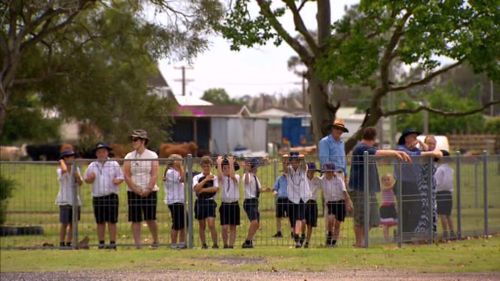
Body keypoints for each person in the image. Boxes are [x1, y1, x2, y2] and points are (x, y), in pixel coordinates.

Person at [349, 127, 412, 248]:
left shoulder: (369, 148)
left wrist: (396, 153)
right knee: (360, 217)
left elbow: (379, 153)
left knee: (374, 219)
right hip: (359, 188)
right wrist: (396, 153)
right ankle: (359, 242)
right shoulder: (361, 148)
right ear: (374, 138)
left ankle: (362, 240)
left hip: (369, 189)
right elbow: (378, 153)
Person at [395, 128, 442, 242]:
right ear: (406, 138)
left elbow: (428, 151)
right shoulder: (400, 149)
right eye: (413, 137)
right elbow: (412, 155)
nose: (415, 139)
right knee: (404, 211)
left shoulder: (416, 148)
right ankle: (403, 236)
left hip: (413, 184)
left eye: (416, 137)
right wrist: (432, 152)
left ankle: (408, 234)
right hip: (402, 183)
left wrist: (421, 143)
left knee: (417, 209)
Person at [123, 129, 159, 249]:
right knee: (135, 219)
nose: (133, 142)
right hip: (133, 191)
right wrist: (136, 189)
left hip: (150, 191)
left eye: (136, 139)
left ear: (143, 141)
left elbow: (154, 174)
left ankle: (156, 241)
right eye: (132, 140)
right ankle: (138, 244)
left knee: (150, 218)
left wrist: (148, 189)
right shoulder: (129, 156)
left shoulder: (152, 155)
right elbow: (127, 175)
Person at [84, 143, 124, 249]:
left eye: (103, 151)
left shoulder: (114, 164)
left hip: (111, 195)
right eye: (99, 152)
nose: (101, 154)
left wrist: (117, 181)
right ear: (96, 154)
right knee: (100, 221)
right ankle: (101, 243)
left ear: (107, 152)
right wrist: (90, 179)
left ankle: (112, 243)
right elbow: (86, 179)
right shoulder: (92, 165)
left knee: (112, 221)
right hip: (98, 196)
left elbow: (121, 177)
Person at [56, 149, 83, 249]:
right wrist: (62, 162)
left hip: (75, 200)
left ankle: (69, 242)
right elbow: (64, 170)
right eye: (69, 157)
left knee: (73, 223)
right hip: (64, 199)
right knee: (64, 223)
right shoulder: (59, 170)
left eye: (72, 157)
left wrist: (77, 176)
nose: (72, 159)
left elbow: (80, 183)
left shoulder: (76, 169)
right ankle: (61, 243)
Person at [322, 163, 353, 247]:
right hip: (331, 202)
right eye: (326, 172)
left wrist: (348, 202)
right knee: (330, 220)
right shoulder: (323, 180)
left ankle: (334, 242)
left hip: (340, 202)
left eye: (329, 172)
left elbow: (344, 192)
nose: (327, 174)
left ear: (333, 172)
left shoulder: (339, 180)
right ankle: (329, 234)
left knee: (337, 224)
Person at [286, 152, 312, 248]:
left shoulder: (303, 169)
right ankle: (298, 236)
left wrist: (303, 159)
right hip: (292, 197)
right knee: (292, 220)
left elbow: (305, 166)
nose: (295, 163)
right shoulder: (289, 169)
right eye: (292, 161)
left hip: (302, 197)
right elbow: (285, 167)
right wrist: (285, 159)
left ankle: (297, 239)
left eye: (296, 160)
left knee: (299, 218)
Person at [193, 156, 219, 249]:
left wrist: (202, 190)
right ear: (201, 167)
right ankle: (204, 244)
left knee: (211, 224)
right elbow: (196, 189)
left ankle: (215, 243)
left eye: (208, 166)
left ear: (211, 166)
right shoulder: (196, 177)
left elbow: (215, 189)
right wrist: (206, 179)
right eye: (204, 166)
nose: (206, 168)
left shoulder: (214, 177)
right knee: (202, 225)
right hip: (200, 202)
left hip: (210, 202)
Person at [162, 154, 186, 249]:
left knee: (184, 223)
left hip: (180, 200)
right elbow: (182, 179)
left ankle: (182, 243)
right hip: (174, 201)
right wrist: (181, 168)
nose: (180, 162)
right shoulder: (171, 172)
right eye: (178, 160)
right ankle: (173, 244)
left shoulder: (176, 171)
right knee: (177, 223)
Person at [216, 155, 240, 249]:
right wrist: (218, 163)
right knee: (224, 227)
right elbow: (220, 176)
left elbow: (233, 175)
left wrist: (231, 162)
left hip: (234, 204)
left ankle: (231, 245)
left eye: (228, 167)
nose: (226, 169)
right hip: (225, 205)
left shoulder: (237, 176)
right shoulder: (222, 178)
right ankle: (225, 244)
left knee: (233, 226)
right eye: (224, 168)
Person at [434, 150, 455, 241]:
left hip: (440, 193)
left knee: (442, 214)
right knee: (448, 214)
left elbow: (437, 182)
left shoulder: (439, 169)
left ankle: (445, 232)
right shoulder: (450, 169)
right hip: (448, 193)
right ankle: (452, 231)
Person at [242, 158, 261, 248]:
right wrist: (246, 170)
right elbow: (246, 182)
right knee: (254, 222)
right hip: (249, 201)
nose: (257, 168)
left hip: (255, 201)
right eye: (256, 166)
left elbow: (259, 189)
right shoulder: (247, 175)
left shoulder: (255, 177)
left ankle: (250, 240)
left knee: (257, 224)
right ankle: (247, 241)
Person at [302, 162, 322, 248]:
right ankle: (302, 235)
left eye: (313, 171)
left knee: (310, 223)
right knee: (302, 221)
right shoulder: (302, 179)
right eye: (310, 170)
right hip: (303, 202)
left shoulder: (317, 180)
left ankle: (307, 241)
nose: (312, 172)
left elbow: (326, 179)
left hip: (312, 203)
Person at [272, 155, 292, 238]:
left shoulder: (291, 177)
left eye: (287, 164)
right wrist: (275, 192)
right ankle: (279, 232)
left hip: (289, 198)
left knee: (290, 216)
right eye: (284, 164)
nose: (285, 169)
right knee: (278, 216)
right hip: (280, 199)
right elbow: (275, 188)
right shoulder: (279, 178)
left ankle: (293, 232)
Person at [379, 173, 398, 242]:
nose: (387, 181)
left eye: (388, 179)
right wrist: (396, 183)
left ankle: (395, 236)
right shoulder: (383, 188)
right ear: (382, 182)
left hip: (392, 207)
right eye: (385, 180)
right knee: (385, 225)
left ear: (391, 180)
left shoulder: (393, 188)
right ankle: (386, 239)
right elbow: (389, 188)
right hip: (385, 208)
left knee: (396, 222)